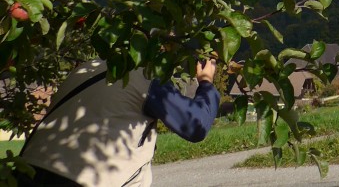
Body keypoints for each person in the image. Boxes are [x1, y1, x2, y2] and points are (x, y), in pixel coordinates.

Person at [15, 57, 219, 186]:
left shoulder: (86, 68)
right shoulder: (144, 77)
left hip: (27, 173)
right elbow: (195, 125)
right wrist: (206, 82)